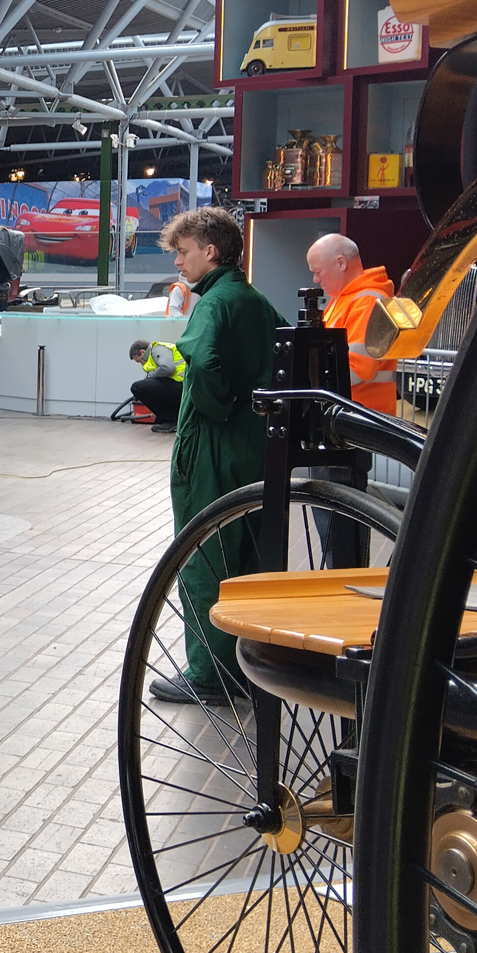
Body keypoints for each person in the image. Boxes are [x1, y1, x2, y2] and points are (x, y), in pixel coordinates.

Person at [148, 207, 284, 707]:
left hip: (212, 448)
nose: (178, 262)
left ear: (210, 251)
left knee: (204, 557)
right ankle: (248, 667)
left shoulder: (213, 304)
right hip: (255, 445)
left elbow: (202, 362)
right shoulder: (256, 300)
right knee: (247, 556)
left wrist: (216, 407)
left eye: (183, 252)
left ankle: (209, 674)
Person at [306, 233, 397, 414]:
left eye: (318, 271)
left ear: (341, 263)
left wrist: (309, 375)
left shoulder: (367, 301)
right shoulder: (344, 299)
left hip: (362, 416)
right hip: (353, 413)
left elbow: (358, 369)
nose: (315, 279)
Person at [129, 339, 185, 434]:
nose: (142, 364)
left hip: (182, 385)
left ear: (142, 352)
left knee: (137, 388)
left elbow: (167, 368)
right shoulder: (156, 355)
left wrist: (148, 378)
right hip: (181, 385)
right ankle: (169, 418)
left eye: (140, 361)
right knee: (144, 387)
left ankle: (172, 420)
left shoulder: (157, 349)